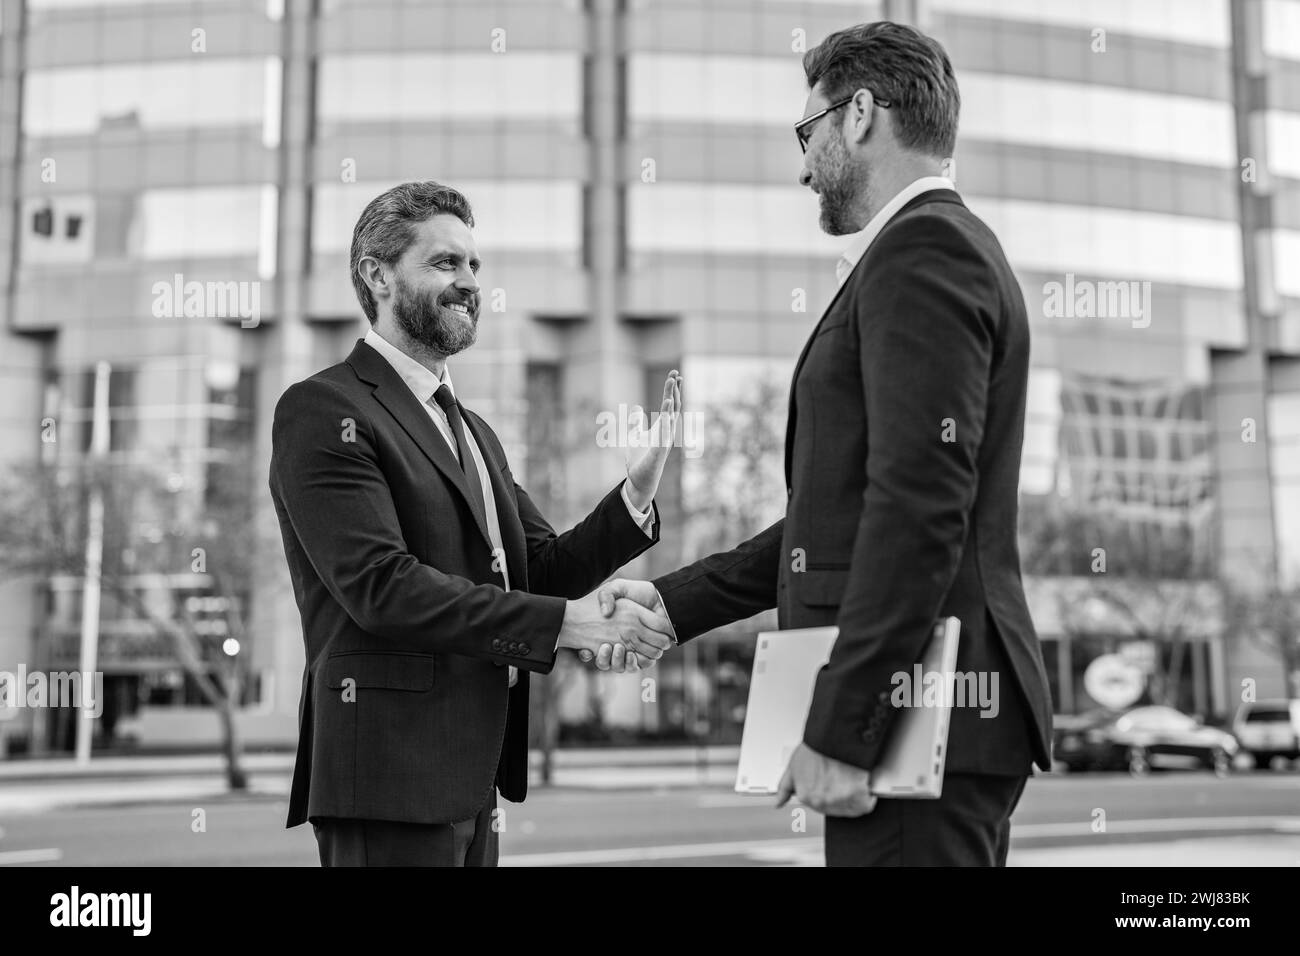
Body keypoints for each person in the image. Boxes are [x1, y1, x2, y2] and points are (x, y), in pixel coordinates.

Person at [597, 21, 1054, 866]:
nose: (802, 166)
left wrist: (845, 729)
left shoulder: (924, 253)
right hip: (921, 726)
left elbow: (918, 510)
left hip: (921, 731)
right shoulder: (926, 253)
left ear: (860, 114)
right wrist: (678, 600)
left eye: (807, 134)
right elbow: (839, 521)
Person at [269, 181, 680, 866]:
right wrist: (568, 625)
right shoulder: (321, 410)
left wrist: (633, 495)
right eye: (445, 264)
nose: (468, 283)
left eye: (474, 266)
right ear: (377, 275)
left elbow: (538, 569)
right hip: (387, 778)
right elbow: (383, 586)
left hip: (473, 777)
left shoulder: (475, 432)